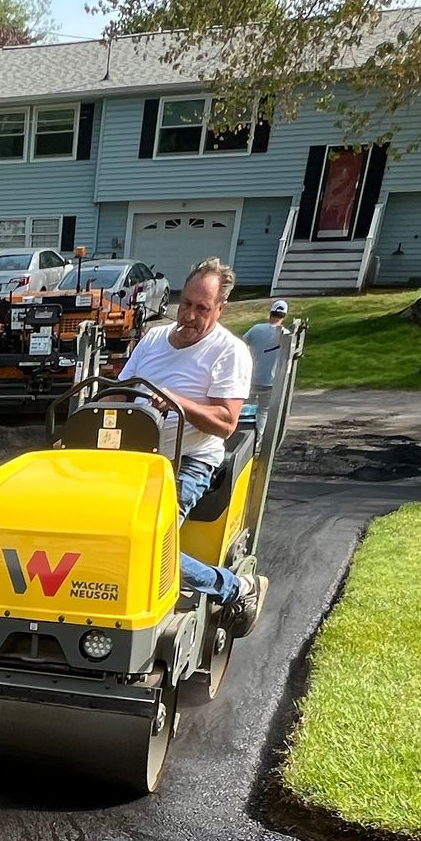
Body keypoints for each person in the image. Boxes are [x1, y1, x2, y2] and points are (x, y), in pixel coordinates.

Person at [115, 258, 254, 608]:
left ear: (220, 309)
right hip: (134, 456)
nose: (190, 316)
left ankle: (232, 588)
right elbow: (118, 392)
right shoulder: (153, 339)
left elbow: (225, 422)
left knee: (148, 546)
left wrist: (175, 400)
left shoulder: (229, 352)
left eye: (202, 308)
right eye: (187, 304)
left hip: (187, 462)